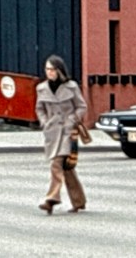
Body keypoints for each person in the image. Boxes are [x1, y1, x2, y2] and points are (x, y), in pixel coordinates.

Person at [35, 54, 87, 214]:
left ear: (59, 70)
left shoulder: (71, 87)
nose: (49, 72)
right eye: (47, 69)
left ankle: (52, 198)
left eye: (52, 69)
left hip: (67, 131)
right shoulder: (42, 88)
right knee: (67, 167)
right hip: (52, 131)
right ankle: (79, 201)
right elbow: (39, 108)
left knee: (56, 163)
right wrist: (44, 122)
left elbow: (82, 106)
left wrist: (72, 119)